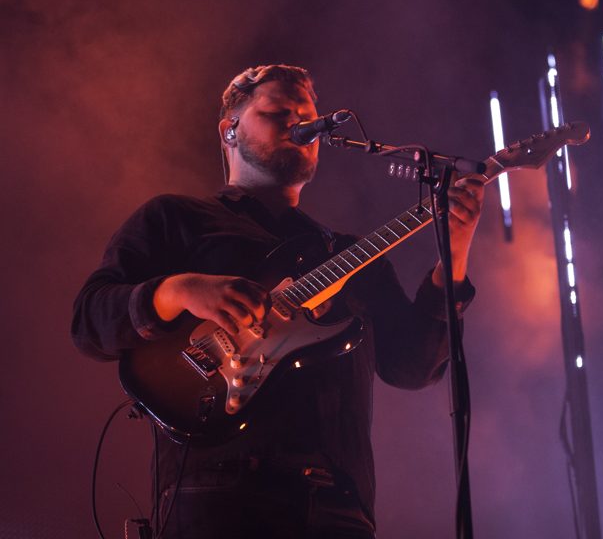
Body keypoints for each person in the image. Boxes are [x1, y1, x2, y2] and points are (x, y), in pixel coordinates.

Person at [72, 64, 484, 539]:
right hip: (215, 495)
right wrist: (180, 289)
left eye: (308, 116)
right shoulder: (176, 218)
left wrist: (452, 255)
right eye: (277, 112)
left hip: (337, 505)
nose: (300, 124)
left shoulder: (345, 252)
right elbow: (88, 320)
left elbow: (413, 367)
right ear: (230, 130)